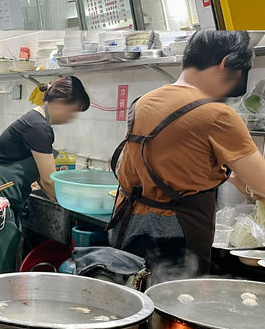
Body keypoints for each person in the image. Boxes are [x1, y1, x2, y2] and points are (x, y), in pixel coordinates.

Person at [109, 30, 265, 280]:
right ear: (226, 63)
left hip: (128, 226)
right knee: (174, 311)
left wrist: (229, 175)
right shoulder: (217, 114)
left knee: (132, 296)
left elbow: (172, 161)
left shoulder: (143, 102)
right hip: (175, 238)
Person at [0, 76, 91, 273]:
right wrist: (71, 205)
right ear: (61, 103)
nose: (71, 118)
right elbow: (48, 179)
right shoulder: (38, 127)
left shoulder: (36, 121)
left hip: (0, 191)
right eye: (73, 111)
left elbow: (42, 175)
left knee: (0, 252)